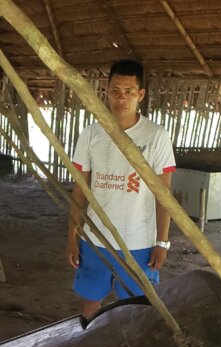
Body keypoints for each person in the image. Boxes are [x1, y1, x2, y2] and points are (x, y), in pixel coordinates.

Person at [64, 59, 176, 319]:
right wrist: (72, 235)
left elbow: (164, 196)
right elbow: (79, 190)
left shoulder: (155, 136)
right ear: (106, 90)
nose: (121, 98)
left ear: (141, 94)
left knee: (137, 307)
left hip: (139, 242)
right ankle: (89, 345)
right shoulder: (92, 134)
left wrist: (162, 243)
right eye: (115, 90)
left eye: (128, 91)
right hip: (95, 237)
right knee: (91, 302)